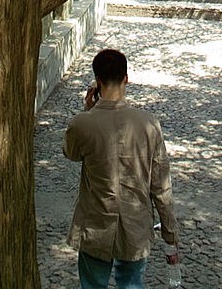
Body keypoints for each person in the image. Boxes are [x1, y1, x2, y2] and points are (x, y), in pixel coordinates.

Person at [63, 48, 179, 289]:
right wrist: (170, 232)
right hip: (134, 224)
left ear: (97, 82)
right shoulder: (148, 124)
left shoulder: (82, 123)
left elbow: (71, 154)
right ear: (126, 78)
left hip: (95, 223)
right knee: (132, 283)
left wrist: (89, 110)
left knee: (93, 284)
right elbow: (160, 186)